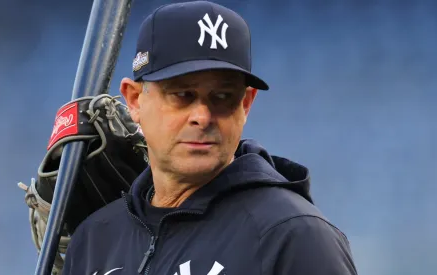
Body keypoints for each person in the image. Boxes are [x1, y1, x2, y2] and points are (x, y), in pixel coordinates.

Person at [62, 1, 358, 274]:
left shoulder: (291, 236)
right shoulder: (94, 240)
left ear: (245, 104)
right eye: (182, 95)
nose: (202, 116)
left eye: (222, 97)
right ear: (135, 100)